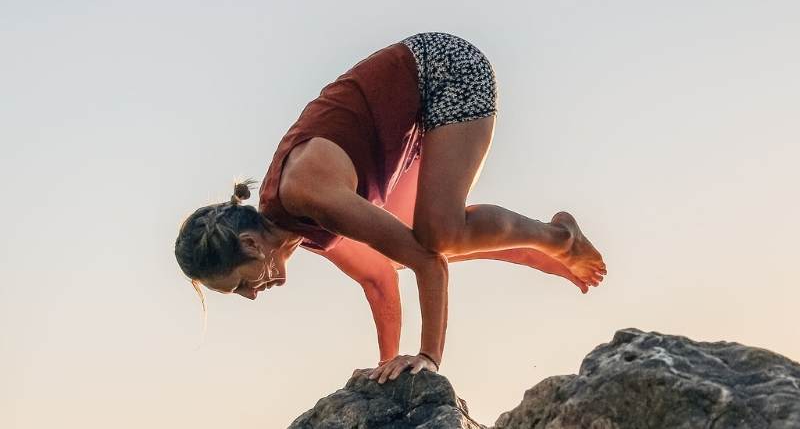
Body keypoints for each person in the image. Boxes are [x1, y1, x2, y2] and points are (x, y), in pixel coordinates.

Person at [174, 31, 607, 385]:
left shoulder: (308, 195)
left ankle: (561, 238)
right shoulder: (298, 224)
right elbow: (380, 278)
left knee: (434, 238)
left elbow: (428, 261)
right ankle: (541, 248)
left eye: (238, 286)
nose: (251, 296)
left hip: (443, 71)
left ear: (249, 243)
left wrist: (428, 358)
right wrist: (388, 368)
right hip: (412, 117)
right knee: (412, 244)